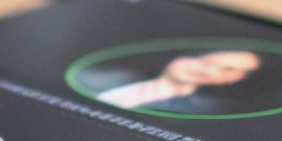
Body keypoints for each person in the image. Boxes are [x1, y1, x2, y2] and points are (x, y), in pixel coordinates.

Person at [96, 50, 261, 113]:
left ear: (235, 79)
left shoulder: (200, 111)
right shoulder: (98, 76)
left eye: (227, 70)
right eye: (204, 61)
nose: (207, 70)